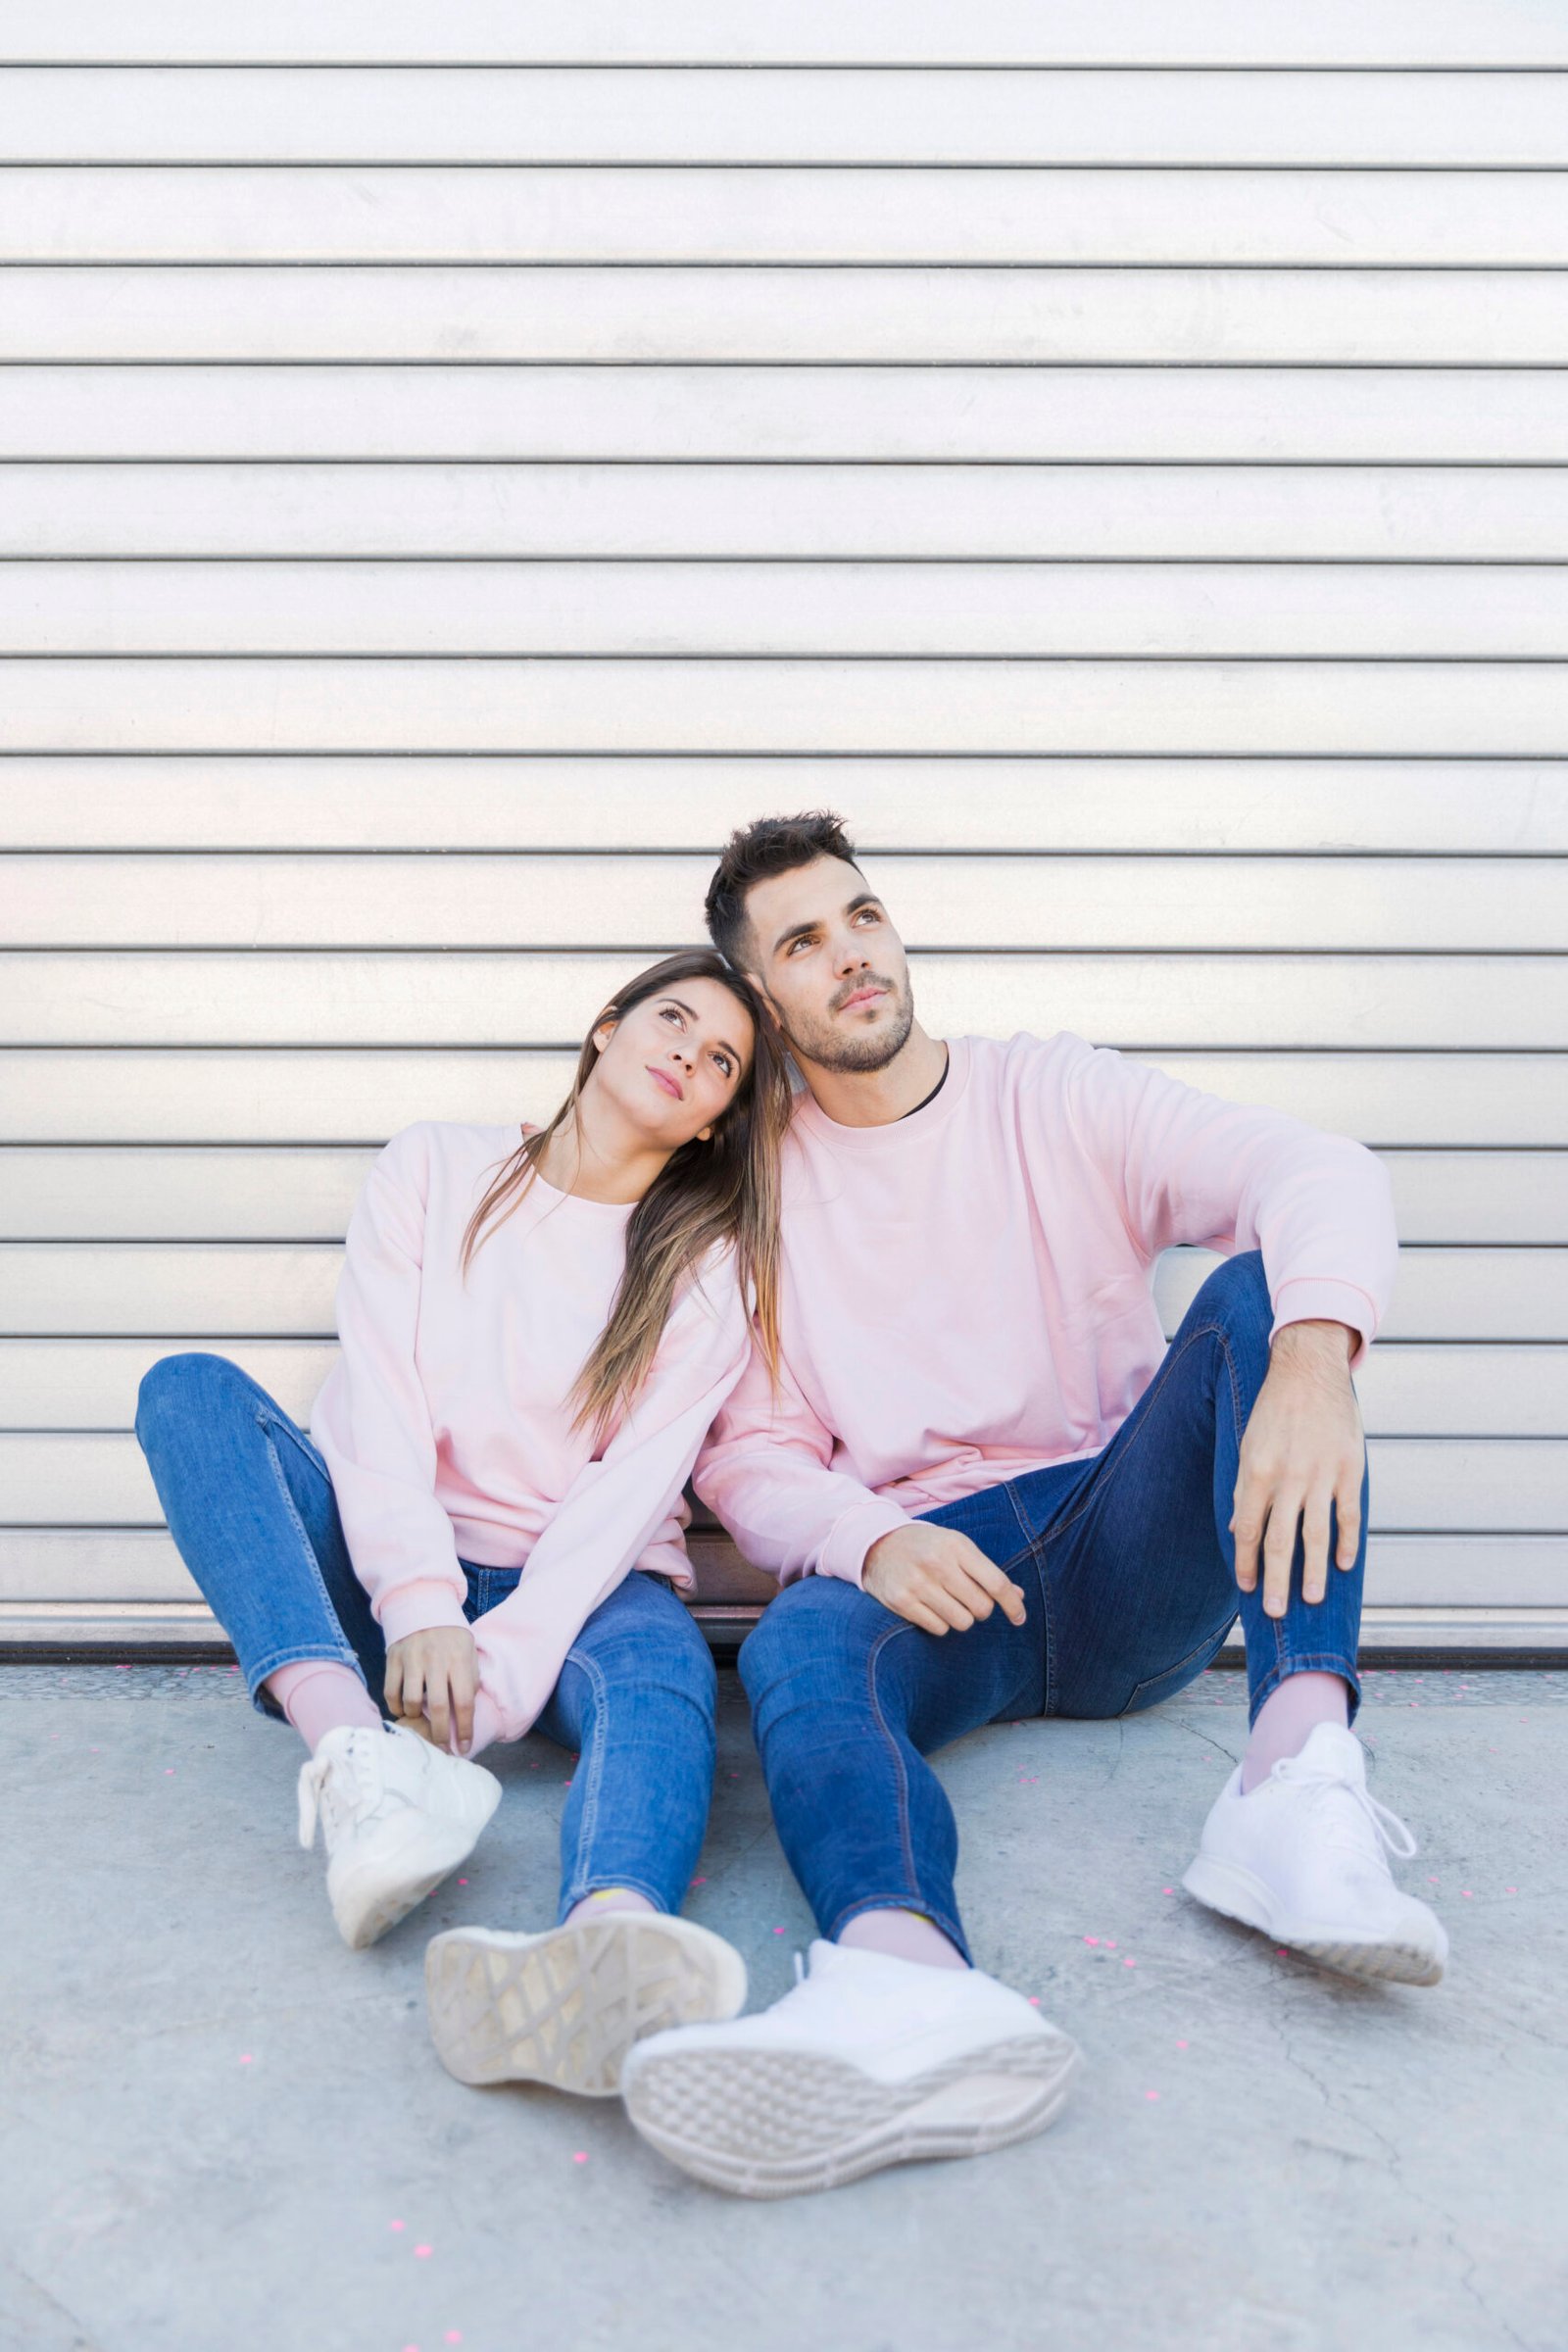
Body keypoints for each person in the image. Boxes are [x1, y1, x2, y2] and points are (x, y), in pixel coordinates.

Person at [616, 812, 1446, 2201]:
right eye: (806, 944)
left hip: (1125, 1538)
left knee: (1259, 1296)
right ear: (767, 1000)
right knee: (793, 1653)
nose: (853, 957)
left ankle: (1296, 1794)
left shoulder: (1053, 1095)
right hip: (943, 1570)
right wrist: (867, 1535)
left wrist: (1316, 1352)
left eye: (862, 917)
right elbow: (749, 1458)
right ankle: (907, 1978)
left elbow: (1317, 1169)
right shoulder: (750, 1192)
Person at [134, 949, 793, 2099]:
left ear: (712, 1125)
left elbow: (624, 1498)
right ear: (605, 1029)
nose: (689, 1049)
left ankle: (606, 1938)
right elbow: (382, 1402)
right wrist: (422, 1607)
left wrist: (500, 1672)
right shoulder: (437, 1167)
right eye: (673, 1017)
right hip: (393, 1557)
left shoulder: (703, 1266)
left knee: (665, 1690)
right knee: (187, 1392)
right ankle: (356, 1762)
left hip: (578, 1589)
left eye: (722, 1058)